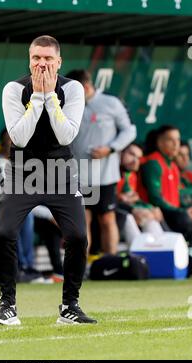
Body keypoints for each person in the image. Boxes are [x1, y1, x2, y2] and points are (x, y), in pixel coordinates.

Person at [0, 35, 96, 325]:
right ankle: (7, 305)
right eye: (36, 58)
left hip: (61, 173)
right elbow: (19, 138)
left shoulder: (72, 89)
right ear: (29, 59)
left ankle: (70, 306)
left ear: (59, 61)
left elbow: (66, 135)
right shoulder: (13, 89)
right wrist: (37, 97)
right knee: (6, 233)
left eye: (48, 59)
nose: (42, 64)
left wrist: (50, 99)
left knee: (77, 237)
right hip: (23, 172)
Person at [67, 69, 136, 255]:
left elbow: (129, 131)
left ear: (87, 86)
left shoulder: (110, 103)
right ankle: (84, 267)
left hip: (104, 175)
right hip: (77, 175)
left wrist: (110, 149)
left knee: (107, 219)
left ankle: (110, 261)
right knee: (82, 220)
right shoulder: (68, 105)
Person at [140, 125, 192, 259]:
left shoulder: (173, 166)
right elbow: (155, 198)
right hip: (159, 213)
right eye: (171, 140)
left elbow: (176, 196)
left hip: (175, 213)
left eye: (177, 140)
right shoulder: (153, 162)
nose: (176, 144)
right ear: (160, 142)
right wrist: (182, 212)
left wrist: (188, 209)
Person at [175, 142, 192, 208]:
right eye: (180, 155)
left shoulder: (190, 175)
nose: (185, 158)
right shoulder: (168, 176)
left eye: (187, 154)